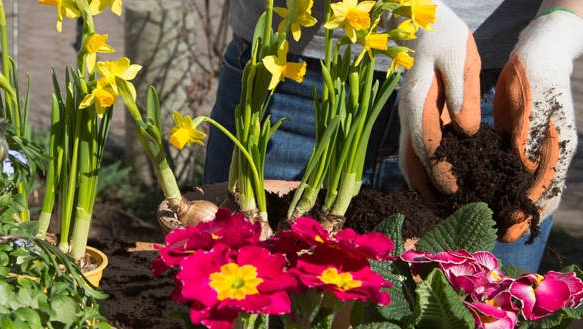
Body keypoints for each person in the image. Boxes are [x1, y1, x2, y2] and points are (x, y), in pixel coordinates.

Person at [203, 0, 583, 272]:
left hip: (489, 93)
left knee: (476, 303)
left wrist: (561, 26)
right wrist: (411, 8)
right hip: (298, 72)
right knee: (256, 295)